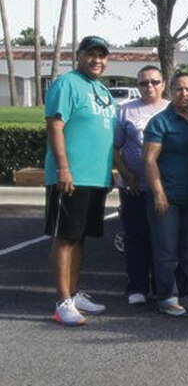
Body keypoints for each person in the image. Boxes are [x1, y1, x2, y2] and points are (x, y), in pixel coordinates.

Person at [44, 35, 117, 326]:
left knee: (79, 238)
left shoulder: (101, 89)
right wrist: (63, 168)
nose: (97, 60)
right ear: (79, 55)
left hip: (95, 178)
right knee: (65, 237)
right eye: (91, 54)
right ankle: (62, 303)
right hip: (71, 177)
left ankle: (73, 295)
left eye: (102, 55)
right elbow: (55, 125)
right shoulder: (66, 83)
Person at [143, 72, 188, 316]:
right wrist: (158, 193)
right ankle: (166, 296)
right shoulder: (160, 122)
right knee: (166, 251)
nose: (184, 93)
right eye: (179, 89)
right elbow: (148, 160)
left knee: (187, 251)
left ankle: (185, 294)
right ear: (171, 92)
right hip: (166, 197)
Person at [113, 65, 168, 306]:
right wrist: (126, 174)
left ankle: (162, 286)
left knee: (162, 239)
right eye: (144, 83)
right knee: (136, 237)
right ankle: (137, 286)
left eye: (155, 82)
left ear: (163, 84)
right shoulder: (125, 111)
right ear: (138, 86)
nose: (150, 87)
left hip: (164, 189)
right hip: (134, 187)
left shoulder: (171, 109)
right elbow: (114, 148)